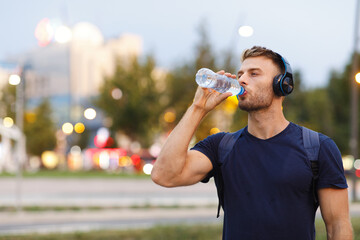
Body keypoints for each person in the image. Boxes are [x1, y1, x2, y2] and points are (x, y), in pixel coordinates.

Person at [151, 46, 353, 240]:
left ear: (281, 84)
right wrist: (198, 108)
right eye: (240, 74)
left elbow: (338, 226)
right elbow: (164, 175)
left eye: (254, 74)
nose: (242, 80)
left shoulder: (317, 147)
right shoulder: (221, 146)